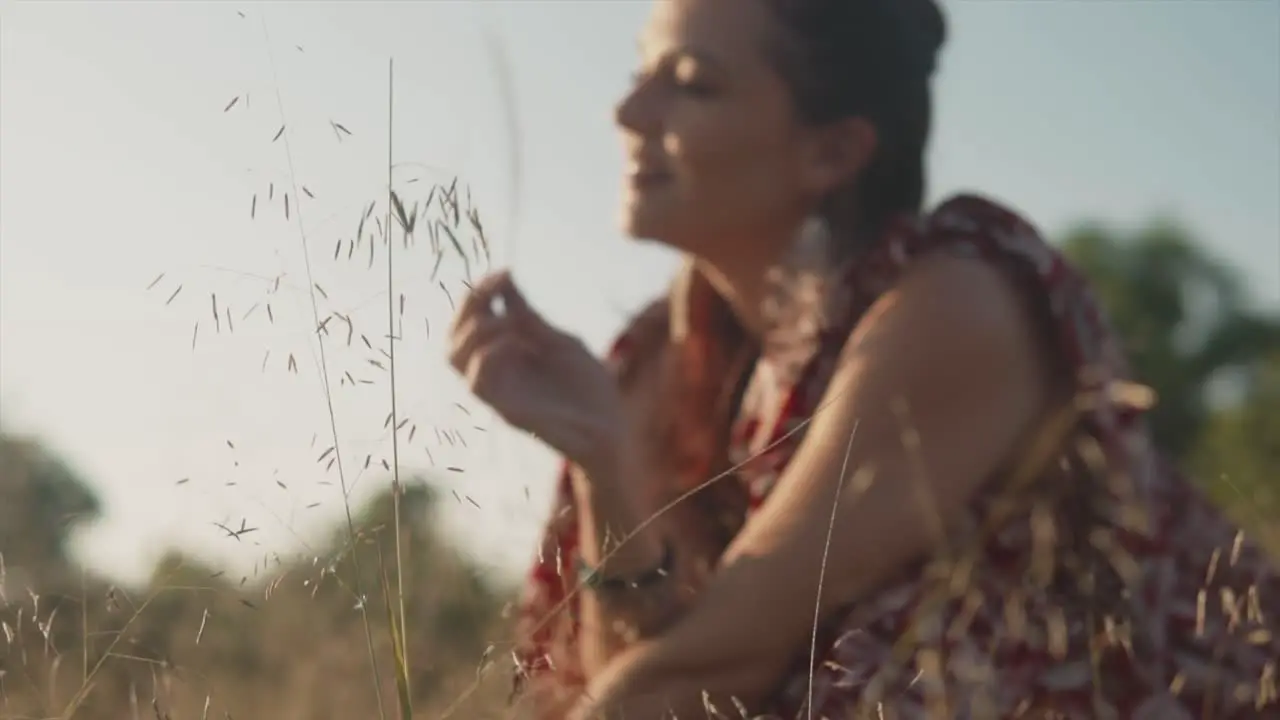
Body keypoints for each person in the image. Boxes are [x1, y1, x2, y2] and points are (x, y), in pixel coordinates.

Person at [447, 0, 1279, 716]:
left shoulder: (958, 299)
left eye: (693, 83)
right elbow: (657, 678)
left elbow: (714, 665)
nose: (628, 110)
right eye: (641, 69)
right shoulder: (661, 356)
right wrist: (604, 462)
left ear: (832, 153)